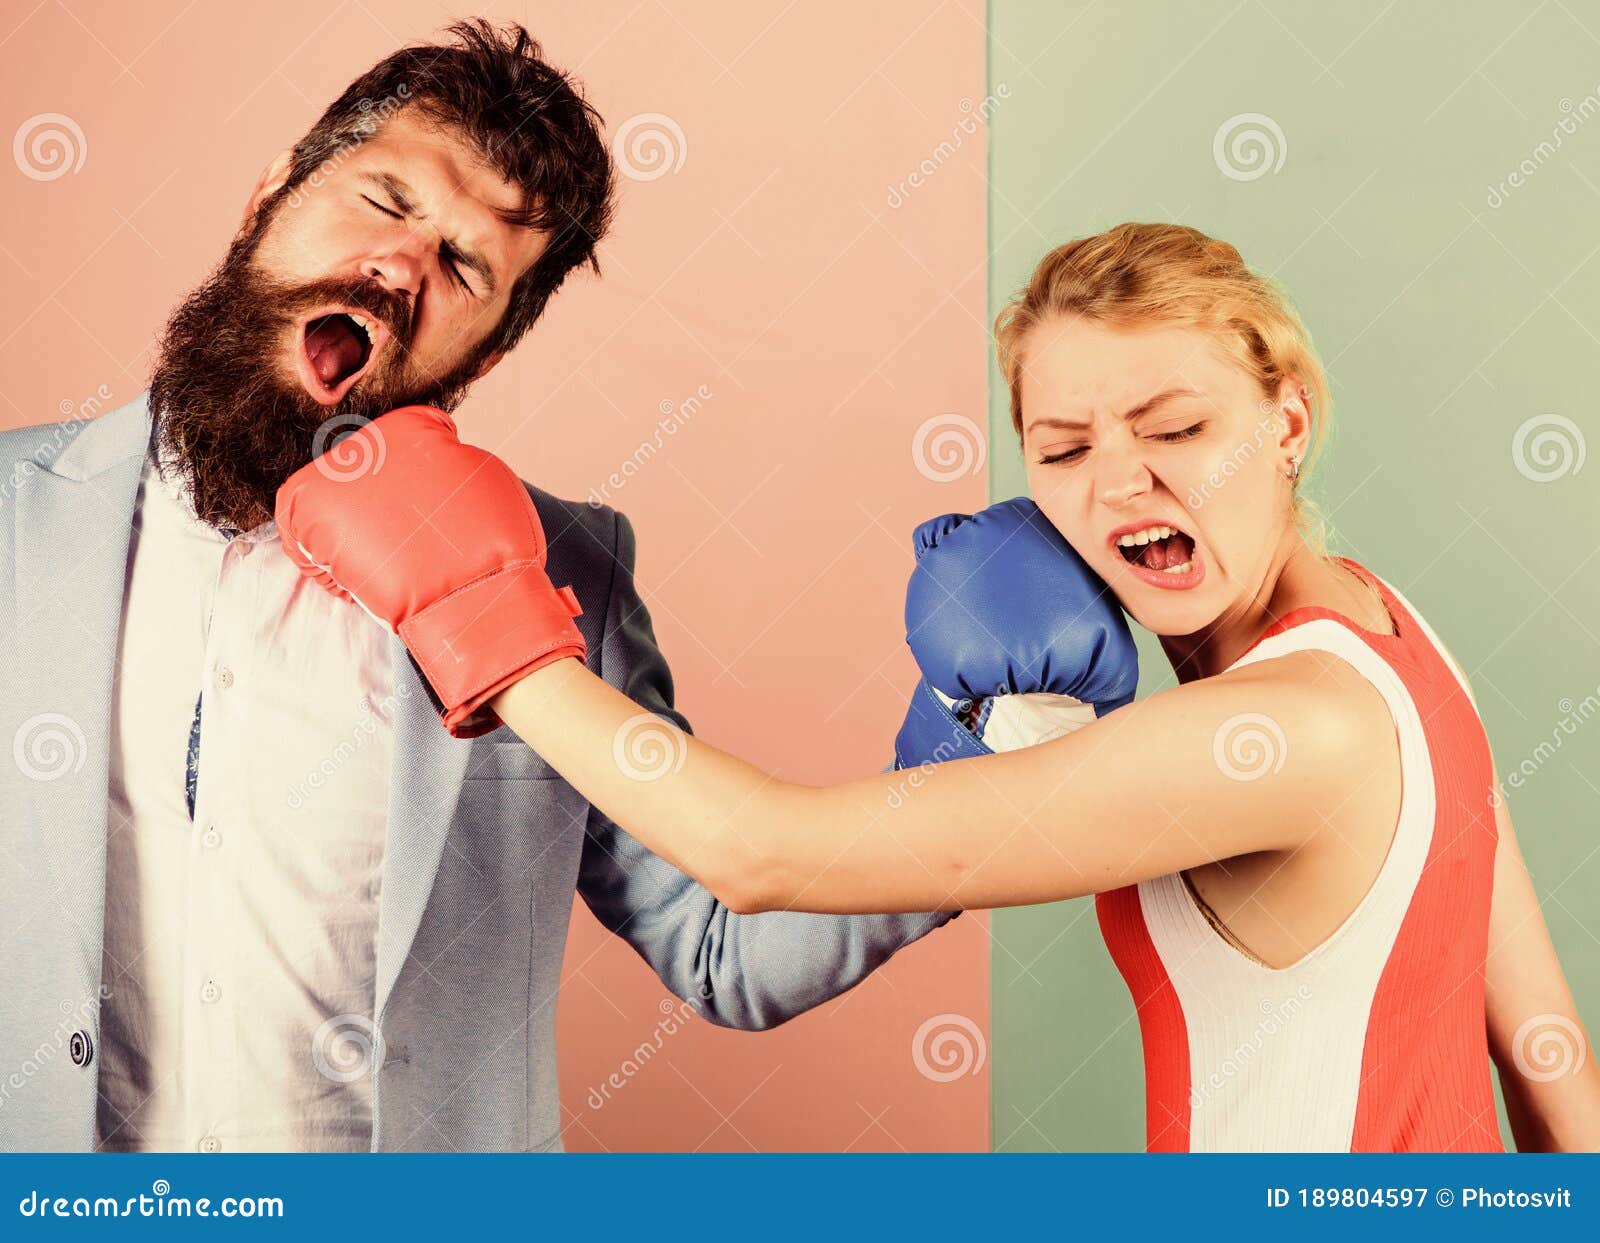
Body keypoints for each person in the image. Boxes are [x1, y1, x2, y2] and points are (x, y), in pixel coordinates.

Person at [278, 222, 1600, 1152]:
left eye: (1178, 427)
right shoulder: (1389, 622)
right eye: (1066, 445)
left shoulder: (1275, 733)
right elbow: (1555, 1068)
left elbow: (756, 853)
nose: (1122, 482)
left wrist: (486, 626)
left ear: (1288, 417)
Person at [0, 20, 957, 1155]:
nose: (399, 267)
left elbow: (722, 949)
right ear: (269, 195)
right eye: (384, 200)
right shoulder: (17, 514)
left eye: (463, 267)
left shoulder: (569, 576)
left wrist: (976, 755)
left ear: (485, 353)